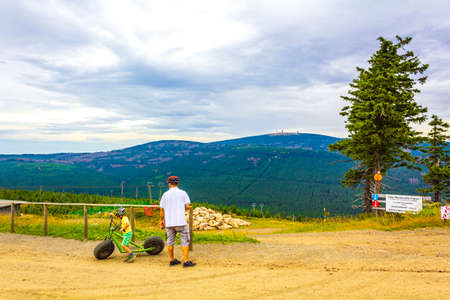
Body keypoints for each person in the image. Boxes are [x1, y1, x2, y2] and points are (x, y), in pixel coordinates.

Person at [160, 176, 196, 268]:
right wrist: (180, 207)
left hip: (169, 222)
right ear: (177, 183)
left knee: (170, 242)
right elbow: (187, 206)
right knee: (185, 241)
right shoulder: (183, 193)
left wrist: (162, 220)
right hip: (180, 221)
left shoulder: (165, 194)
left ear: (169, 184)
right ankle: (186, 261)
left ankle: (172, 260)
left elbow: (162, 210)